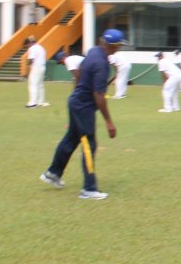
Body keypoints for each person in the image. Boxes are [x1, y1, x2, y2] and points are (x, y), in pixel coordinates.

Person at [39, 29, 125, 199]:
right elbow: (98, 95)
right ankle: (89, 188)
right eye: (120, 45)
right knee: (89, 144)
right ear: (114, 45)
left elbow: (82, 75)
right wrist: (109, 122)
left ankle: (53, 173)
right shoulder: (102, 64)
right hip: (84, 107)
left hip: (75, 101)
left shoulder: (93, 51)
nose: (120, 48)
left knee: (71, 139)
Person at [24, 35, 49, 108]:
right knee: (40, 85)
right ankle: (41, 102)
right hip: (42, 67)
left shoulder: (32, 48)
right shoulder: (41, 47)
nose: (27, 47)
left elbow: (31, 60)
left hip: (36, 67)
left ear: (29, 43)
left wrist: (27, 65)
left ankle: (33, 103)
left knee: (33, 85)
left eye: (27, 45)